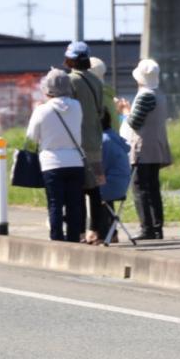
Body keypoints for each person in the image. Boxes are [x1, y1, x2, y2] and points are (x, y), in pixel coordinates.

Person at [26, 68, 86, 242]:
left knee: (55, 204)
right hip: (76, 161)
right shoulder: (77, 106)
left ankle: (57, 239)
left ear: (47, 89)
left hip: (51, 163)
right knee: (75, 204)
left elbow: (30, 140)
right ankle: (74, 239)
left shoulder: (41, 110)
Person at [116, 58, 172, 240]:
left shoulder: (145, 95)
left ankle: (147, 228)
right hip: (156, 145)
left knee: (140, 188)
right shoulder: (159, 94)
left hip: (142, 147)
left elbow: (134, 122)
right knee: (153, 188)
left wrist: (125, 110)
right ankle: (157, 228)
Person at [63, 41, 106, 244]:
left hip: (77, 143)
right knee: (95, 189)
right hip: (95, 141)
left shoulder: (70, 81)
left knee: (78, 190)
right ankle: (97, 231)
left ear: (70, 59)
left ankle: (79, 232)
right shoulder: (96, 81)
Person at [96, 108, 131, 243]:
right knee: (102, 193)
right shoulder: (114, 136)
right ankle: (112, 233)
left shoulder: (104, 141)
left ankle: (101, 234)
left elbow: (100, 168)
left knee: (92, 192)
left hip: (112, 185)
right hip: (120, 184)